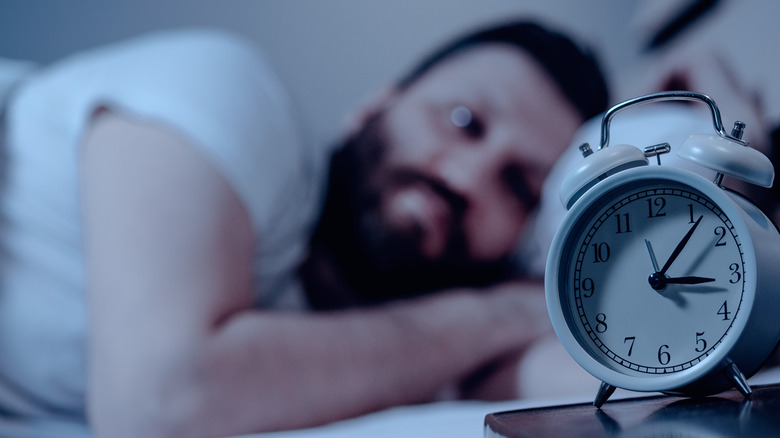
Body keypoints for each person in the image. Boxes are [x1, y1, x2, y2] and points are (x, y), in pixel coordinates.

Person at [0, 20, 608, 437]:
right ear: (373, 106)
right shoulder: (231, 91)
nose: (468, 177)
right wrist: (498, 313)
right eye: (463, 120)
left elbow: (630, 378)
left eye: (518, 187)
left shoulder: (367, 356)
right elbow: (161, 403)